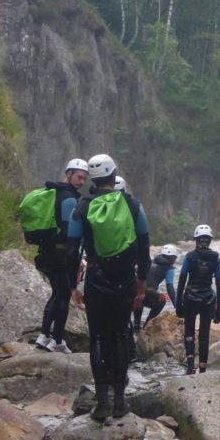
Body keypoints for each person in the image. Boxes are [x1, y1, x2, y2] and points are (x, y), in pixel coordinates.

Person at [67, 154, 150, 421]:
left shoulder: (81, 207)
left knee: (98, 338)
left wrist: (73, 286)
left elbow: (71, 251)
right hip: (124, 280)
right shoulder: (133, 206)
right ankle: (119, 402)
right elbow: (145, 251)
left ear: (92, 178)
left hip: (95, 279)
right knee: (118, 335)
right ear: (114, 177)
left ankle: (102, 403)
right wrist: (141, 285)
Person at [34, 158, 88, 354]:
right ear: (68, 174)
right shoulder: (68, 198)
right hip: (60, 254)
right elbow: (68, 231)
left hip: (49, 251)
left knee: (56, 293)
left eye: (84, 178)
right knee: (63, 295)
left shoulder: (55, 192)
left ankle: (44, 335)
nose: (81, 181)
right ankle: (56, 340)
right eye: (79, 177)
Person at [176, 224, 220, 375]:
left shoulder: (189, 257)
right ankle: (203, 368)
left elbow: (182, 281)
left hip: (190, 299)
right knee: (204, 335)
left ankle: (190, 366)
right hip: (208, 300)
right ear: (209, 241)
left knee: (189, 332)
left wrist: (178, 304)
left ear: (196, 240)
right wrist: (219, 308)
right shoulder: (215, 258)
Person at [139, 244, 178, 328]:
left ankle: (136, 326)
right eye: (174, 258)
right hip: (148, 293)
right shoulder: (169, 268)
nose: (174, 260)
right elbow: (170, 287)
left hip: (137, 290)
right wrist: (175, 305)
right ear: (171, 258)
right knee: (162, 300)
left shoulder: (152, 261)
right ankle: (146, 325)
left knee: (140, 300)